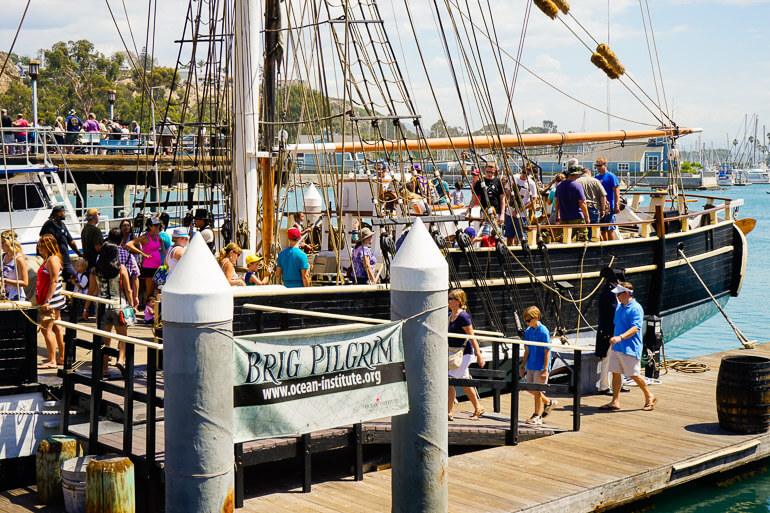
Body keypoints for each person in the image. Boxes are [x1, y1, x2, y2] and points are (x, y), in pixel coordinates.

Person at [600, 281, 657, 412]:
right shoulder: (620, 307)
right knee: (615, 373)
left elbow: (636, 328)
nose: (617, 297)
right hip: (617, 347)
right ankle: (615, 401)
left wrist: (620, 337)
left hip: (630, 348)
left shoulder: (636, 308)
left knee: (633, 374)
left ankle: (649, 396)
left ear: (626, 293)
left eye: (619, 294)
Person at [83, 242, 134, 378]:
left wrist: (86, 308)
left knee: (105, 341)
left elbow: (91, 291)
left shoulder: (95, 270)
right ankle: (121, 360)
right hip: (119, 306)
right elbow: (128, 290)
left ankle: (104, 369)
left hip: (102, 308)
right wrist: (132, 303)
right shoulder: (121, 268)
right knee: (123, 337)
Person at [447, 288, 485, 421]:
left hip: (464, 353)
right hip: (453, 353)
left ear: (458, 301)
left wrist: (479, 355)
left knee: (449, 380)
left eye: (450, 298)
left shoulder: (464, 316)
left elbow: (472, 337)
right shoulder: (450, 315)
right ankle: (478, 407)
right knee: (465, 383)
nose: (448, 300)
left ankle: (448, 412)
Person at [519, 306, 557, 425]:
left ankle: (537, 415)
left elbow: (547, 351)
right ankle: (548, 402)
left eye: (528, 320)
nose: (526, 323)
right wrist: (522, 366)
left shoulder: (543, 331)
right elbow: (527, 350)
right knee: (529, 388)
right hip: (531, 364)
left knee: (536, 390)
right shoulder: (529, 331)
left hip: (540, 366)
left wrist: (545, 370)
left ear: (536, 318)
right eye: (525, 320)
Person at [596, 267, 629, 395]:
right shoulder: (609, 293)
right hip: (609, 330)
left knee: (618, 358)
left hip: (615, 330)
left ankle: (618, 384)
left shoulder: (612, 292)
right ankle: (604, 385)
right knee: (608, 358)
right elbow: (612, 313)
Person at [36, 234, 67, 369]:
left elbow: (54, 281)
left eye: (41, 245)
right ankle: (61, 357)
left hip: (52, 300)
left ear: (48, 246)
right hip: (53, 299)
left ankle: (52, 360)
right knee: (56, 328)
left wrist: (47, 301)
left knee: (46, 329)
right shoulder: (49, 259)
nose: (39, 248)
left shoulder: (52, 260)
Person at [125, 216, 164, 307]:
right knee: (149, 290)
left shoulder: (156, 235)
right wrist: (142, 253)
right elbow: (129, 244)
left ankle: (152, 310)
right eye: (155, 225)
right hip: (149, 266)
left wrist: (163, 251)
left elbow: (161, 242)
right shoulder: (144, 237)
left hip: (157, 265)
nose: (158, 227)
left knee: (157, 289)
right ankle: (148, 310)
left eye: (158, 225)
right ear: (150, 226)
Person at [39, 205, 81, 282]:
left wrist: (79, 253)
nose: (65, 214)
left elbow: (70, 241)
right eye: (64, 213)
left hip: (66, 261)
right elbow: (43, 242)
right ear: (59, 214)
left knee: (73, 279)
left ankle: (68, 293)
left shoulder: (62, 224)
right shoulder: (48, 225)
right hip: (57, 261)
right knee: (70, 279)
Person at [106, 228, 140, 307]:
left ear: (109, 239)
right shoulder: (129, 256)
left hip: (105, 298)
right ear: (121, 240)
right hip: (123, 298)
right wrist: (135, 296)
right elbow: (135, 277)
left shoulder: (101, 256)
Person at [469, 162, 506, 236]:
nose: (489, 174)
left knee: (497, 233)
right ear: (484, 169)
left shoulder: (498, 182)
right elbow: (474, 198)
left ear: (495, 171)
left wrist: (502, 214)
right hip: (484, 212)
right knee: (484, 233)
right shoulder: (480, 182)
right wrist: (469, 209)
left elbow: (502, 199)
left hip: (496, 212)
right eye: (487, 172)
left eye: (492, 172)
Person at [554, 164, 590, 241]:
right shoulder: (577, 186)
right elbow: (582, 203)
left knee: (562, 239)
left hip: (564, 217)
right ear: (576, 174)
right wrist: (587, 217)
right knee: (583, 238)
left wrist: (556, 215)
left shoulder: (559, 185)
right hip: (577, 217)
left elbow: (556, 202)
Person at [506, 164, 538, 245]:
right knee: (509, 236)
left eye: (527, 174)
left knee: (523, 236)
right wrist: (508, 202)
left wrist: (519, 210)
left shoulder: (531, 183)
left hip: (522, 214)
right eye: (524, 172)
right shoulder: (513, 178)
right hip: (509, 212)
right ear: (521, 170)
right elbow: (507, 191)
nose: (525, 175)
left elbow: (534, 199)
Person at [595, 157, 620, 241]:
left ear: (605, 165)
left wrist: (616, 205)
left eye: (600, 165)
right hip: (600, 207)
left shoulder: (611, 176)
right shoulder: (596, 177)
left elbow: (616, 191)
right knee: (602, 229)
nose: (598, 167)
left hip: (609, 206)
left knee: (609, 228)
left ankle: (610, 246)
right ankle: (604, 246)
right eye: (596, 165)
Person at [576, 165, 608, 229]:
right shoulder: (595, 181)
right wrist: (603, 209)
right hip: (593, 208)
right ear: (589, 172)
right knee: (594, 230)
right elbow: (603, 196)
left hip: (580, 209)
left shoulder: (577, 182)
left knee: (581, 231)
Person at [1, 230, 28, 300]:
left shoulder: (19, 259)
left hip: (17, 296)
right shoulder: (3, 257)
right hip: (4, 296)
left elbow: (25, 283)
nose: (1, 246)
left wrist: (4, 280)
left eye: (3, 243)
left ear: (10, 243)